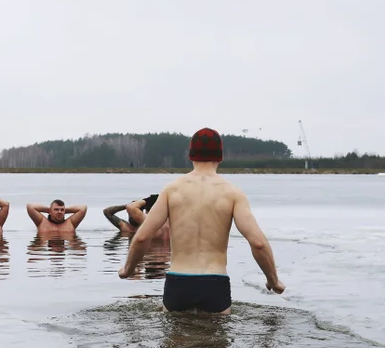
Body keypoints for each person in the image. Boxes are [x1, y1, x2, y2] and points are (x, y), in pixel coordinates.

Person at [118, 127, 284, 314]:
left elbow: (142, 237)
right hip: (215, 283)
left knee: (175, 341)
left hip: (178, 282)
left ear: (191, 155)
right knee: (215, 341)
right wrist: (273, 280)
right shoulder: (233, 193)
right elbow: (258, 243)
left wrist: (128, 269)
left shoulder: (172, 190)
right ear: (221, 156)